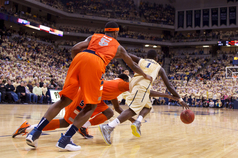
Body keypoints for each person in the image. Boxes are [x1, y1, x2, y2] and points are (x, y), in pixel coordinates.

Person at [26, 21, 152, 151]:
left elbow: (75, 48)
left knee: (63, 100)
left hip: (79, 58)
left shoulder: (94, 37)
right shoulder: (118, 46)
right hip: (96, 62)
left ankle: (34, 133)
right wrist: (144, 75)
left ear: (105, 31)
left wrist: (80, 64)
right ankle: (65, 140)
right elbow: (133, 65)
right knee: (91, 106)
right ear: (115, 32)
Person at [13, 74, 177, 138]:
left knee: (108, 112)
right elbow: (146, 91)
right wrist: (166, 94)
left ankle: (83, 126)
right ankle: (29, 127)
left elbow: (119, 110)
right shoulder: (121, 84)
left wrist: (134, 120)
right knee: (65, 122)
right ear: (127, 82)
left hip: (94, 100)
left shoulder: (114, 90)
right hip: (83, 98)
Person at [99, 50, 188, 145]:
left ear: (147, 57)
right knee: (133, 110)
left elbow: (126, 55)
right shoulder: (159, 68)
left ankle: (137, 122)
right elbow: (169, 86)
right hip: (141, 87)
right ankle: (108, 127)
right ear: (156, 58)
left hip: (135, 86)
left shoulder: (141, 60)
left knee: (148, 106)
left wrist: (110, 55)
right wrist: (180, 99)